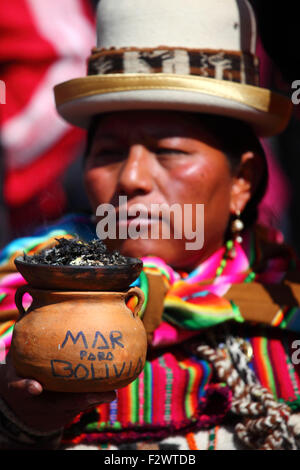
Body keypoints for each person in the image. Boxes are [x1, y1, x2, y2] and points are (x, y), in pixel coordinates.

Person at [0, 0, 300, 450]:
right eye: (108, 153)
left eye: (169, 151)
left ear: (243, 180)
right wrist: (20, 420)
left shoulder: (285, 307)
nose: (131, 179)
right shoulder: (24, 292)